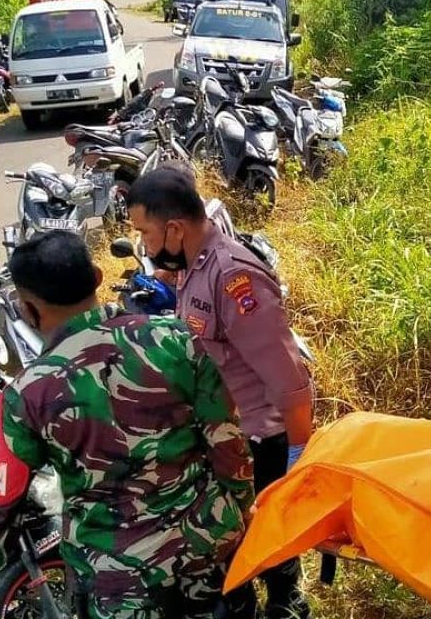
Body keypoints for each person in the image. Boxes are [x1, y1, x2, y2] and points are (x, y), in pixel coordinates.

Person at [0, 230, 253, 619]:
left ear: (27, 309)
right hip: (208, 556)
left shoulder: (29, 394)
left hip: (118, 586)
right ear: (96, 276)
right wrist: (241, 509)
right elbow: (229, 441)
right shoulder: (176, 339)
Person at [127, 165, 313, 619]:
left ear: (174, 228)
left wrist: (297, 455)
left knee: (268, 536)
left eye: (144, 233)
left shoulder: (235, 277)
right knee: (235, 542)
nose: (143, 245)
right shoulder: (194, 265)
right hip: (226, 434)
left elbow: (288, 377)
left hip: (259, 439)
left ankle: (287, 605)